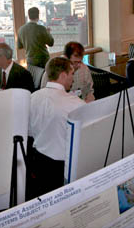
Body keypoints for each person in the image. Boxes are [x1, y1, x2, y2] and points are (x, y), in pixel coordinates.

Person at [28, 57, 85, 197]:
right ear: (63, 75)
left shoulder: (32, 97)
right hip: (61, 168)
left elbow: (28, 131)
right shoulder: (75, 104)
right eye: (72, 74)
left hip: (37, 162)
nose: (73, 78)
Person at [17, 7, 55, 88]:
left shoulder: (21, 29)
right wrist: (48, 33)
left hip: (30, 61)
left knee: (34, 83)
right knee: (45, 83)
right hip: (43, 60)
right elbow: (51, 43)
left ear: (29, 15)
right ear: (38, 15)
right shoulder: (41, 28)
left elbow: (20, 46)